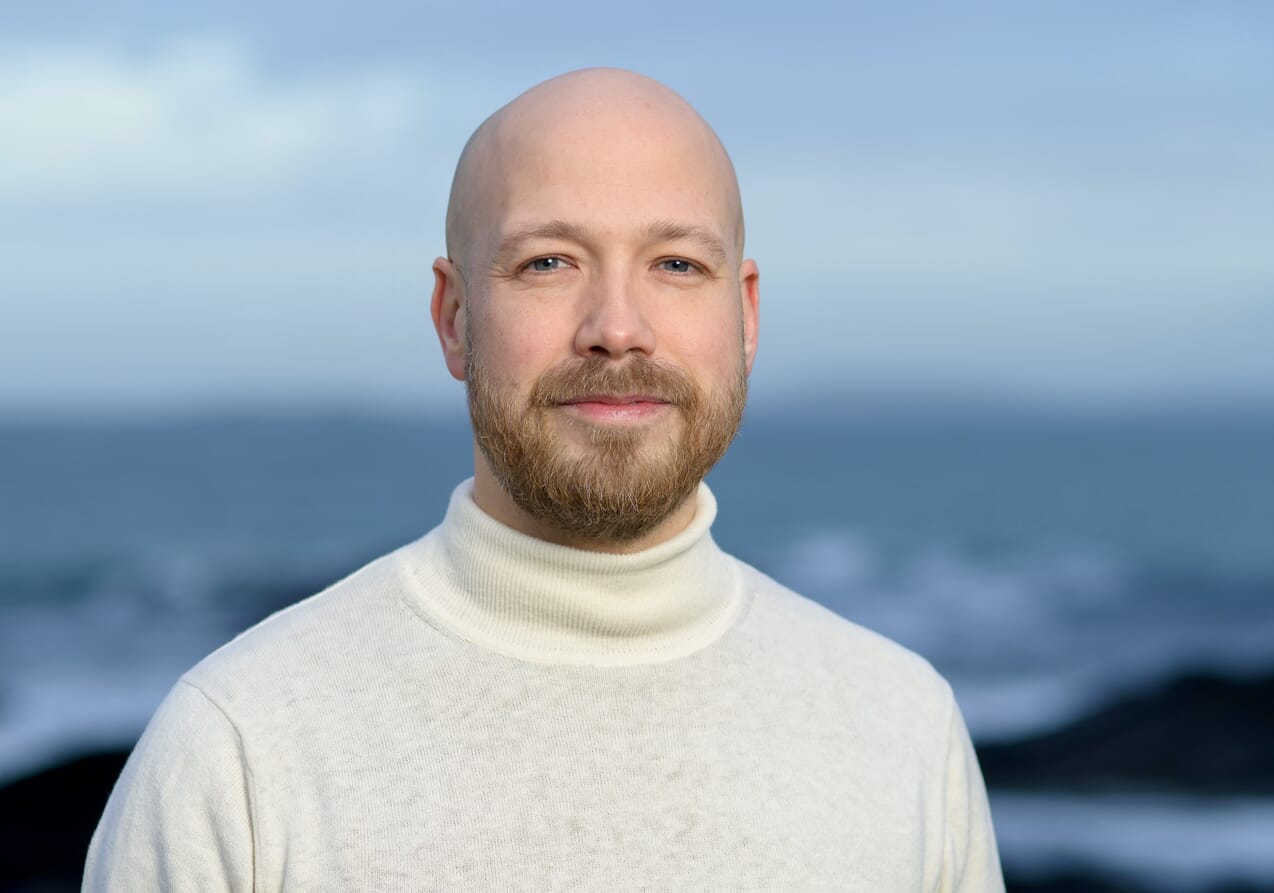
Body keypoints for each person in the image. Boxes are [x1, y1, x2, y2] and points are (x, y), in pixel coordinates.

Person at [84, 68, 1004, 891]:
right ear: (454, 316)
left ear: (747, 315)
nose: (617, 327)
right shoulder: (238, 750)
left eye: (677, 264)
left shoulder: (905, 728)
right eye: (549, 262)